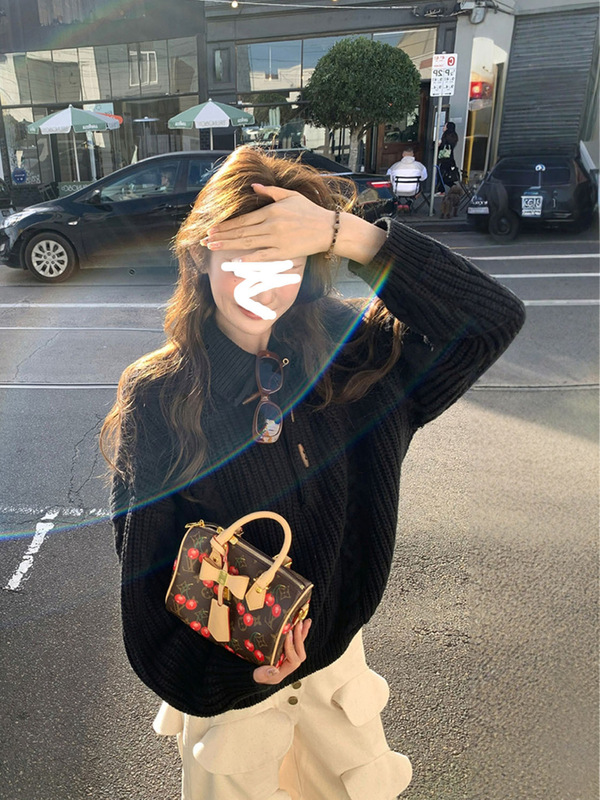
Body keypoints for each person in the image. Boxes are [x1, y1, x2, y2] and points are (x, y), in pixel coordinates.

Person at [101, 146, 525, 800]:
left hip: (336, 685)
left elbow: (491, 321)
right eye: (242, 255)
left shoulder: (353, 354)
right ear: (201, 256)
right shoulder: (161, 394)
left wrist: (350, 236)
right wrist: (240, 676)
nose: (259, 283)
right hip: (232, 699)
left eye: (283, 259)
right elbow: (146, 585)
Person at [437, 122, 461, 191]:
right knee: (446, 175)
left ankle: (442, 190)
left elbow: (442, 146)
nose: (443, 127)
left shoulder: (446, 136)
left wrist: (438, 145)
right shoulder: (454, 136)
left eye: (445, 126)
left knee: (442, 175)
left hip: (444, 159)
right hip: (450, 159)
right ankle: (451, 187)